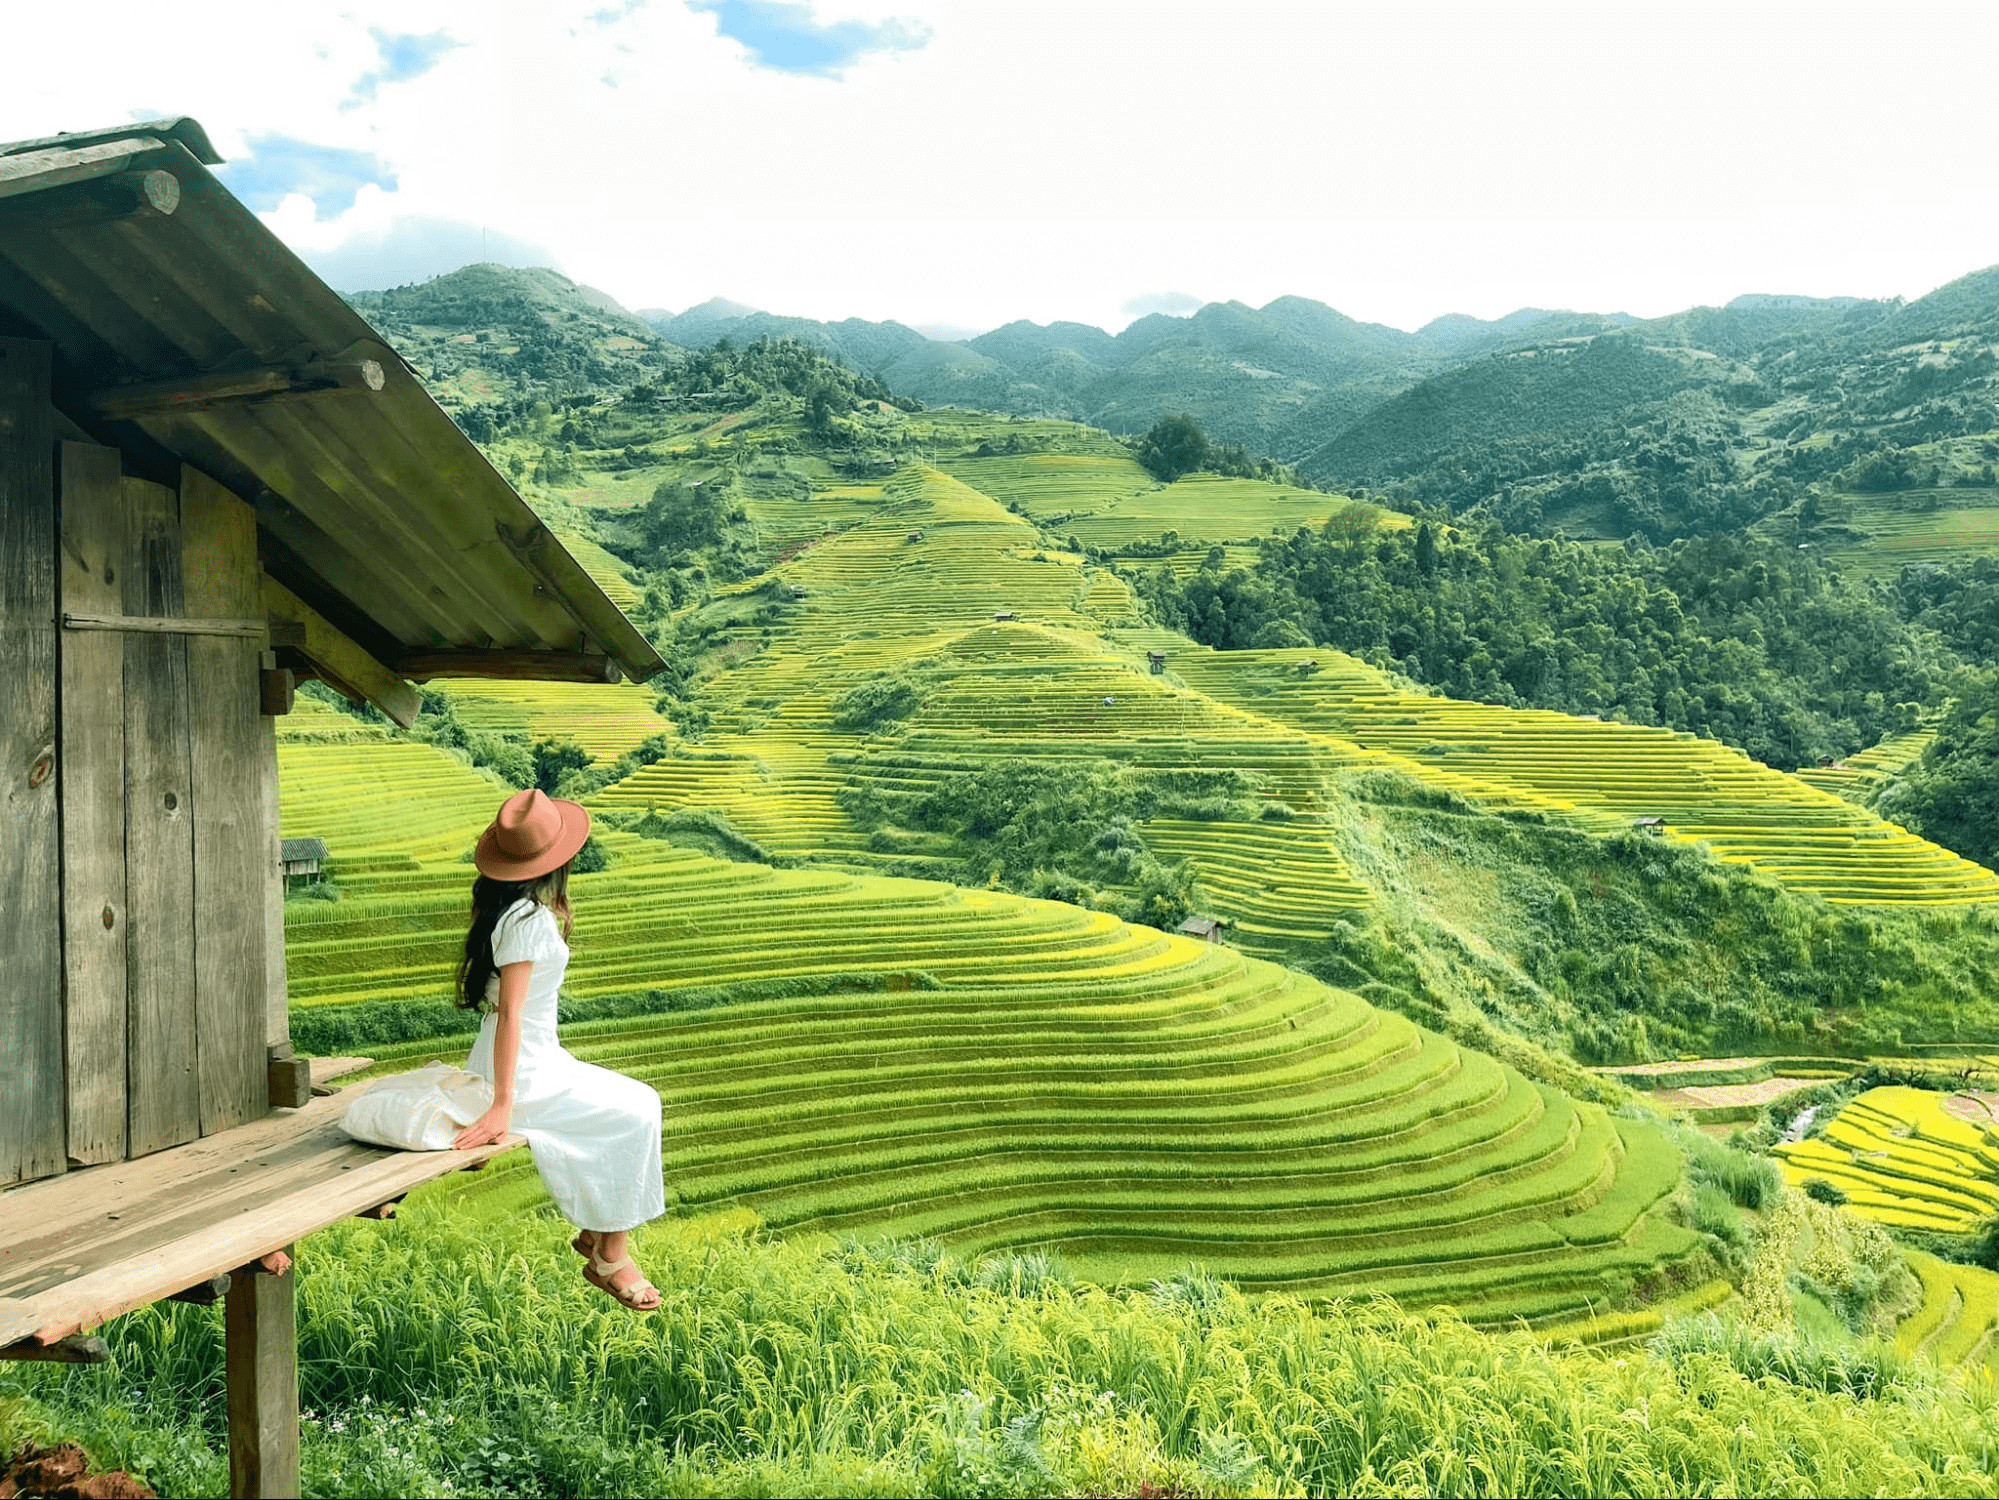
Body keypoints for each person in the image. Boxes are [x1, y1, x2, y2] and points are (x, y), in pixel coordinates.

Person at [450, 788, 666, 1312]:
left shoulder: (509, 910)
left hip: (534, 1057)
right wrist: (503, 1104)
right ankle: (610, 1254)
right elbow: (512, 1014)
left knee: (638, 1101)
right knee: (638, 1109)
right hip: (522, 1069)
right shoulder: (528, 920)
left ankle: (598, 1235)